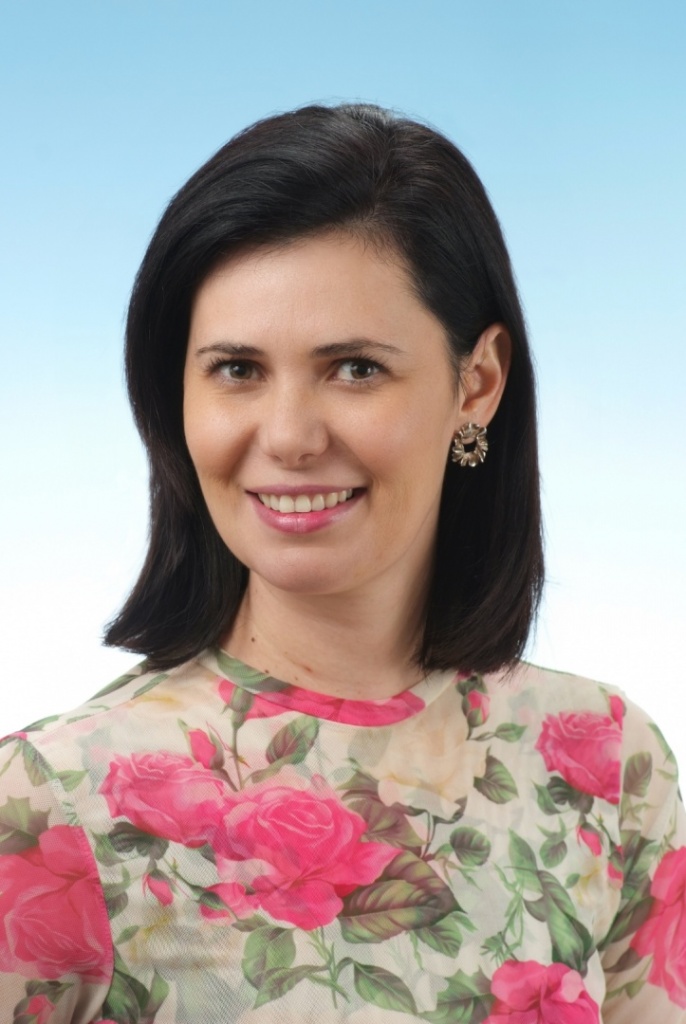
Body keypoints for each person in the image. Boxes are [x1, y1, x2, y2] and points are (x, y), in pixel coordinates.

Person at [0, 103, 683, 1024]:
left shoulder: (606, 763)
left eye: (355, 368)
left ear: (477, 383)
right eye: (237, 369)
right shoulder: (47, 809)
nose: (288, 437)